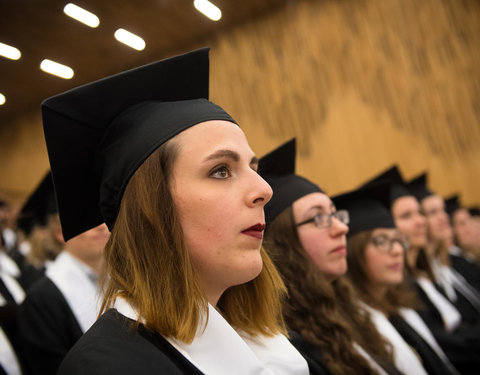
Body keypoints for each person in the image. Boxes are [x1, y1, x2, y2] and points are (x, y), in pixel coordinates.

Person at [42, 48, 308, 375]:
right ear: (151, 208)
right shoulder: (107, 368)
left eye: (255, 168)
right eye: (221, 170)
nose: (264, 190)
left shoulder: (262, 334)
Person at [260, 139, 401, 375]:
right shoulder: (290, 346)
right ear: (282, 241)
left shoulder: (347, 312)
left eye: (335, 215)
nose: (342, 228)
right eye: (318, 218)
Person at [333, 182, 459, 375]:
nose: (398, 250)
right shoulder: (355, 328)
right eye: (382, 241)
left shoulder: (399, 307)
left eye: (398, 240)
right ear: (353, 253)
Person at [17, 222, 109, 375]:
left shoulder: (124, 279)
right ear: (60, 232)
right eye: (88, 219)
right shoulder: (41, 299)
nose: (101, 226)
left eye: (102, 216)